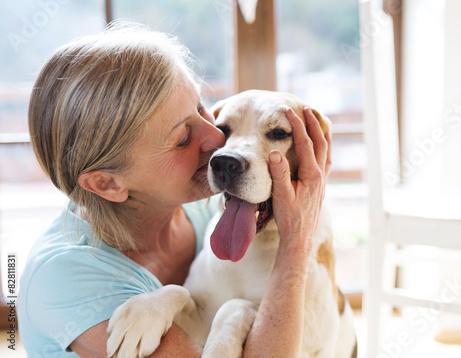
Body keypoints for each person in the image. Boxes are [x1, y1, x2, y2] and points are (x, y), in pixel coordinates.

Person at [18, 22, 331, 357]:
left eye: (201, 110)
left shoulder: (206, 209)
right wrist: (297, 241)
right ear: (108, 182)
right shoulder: (66, 281)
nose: (217, 141)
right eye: (182, 137)